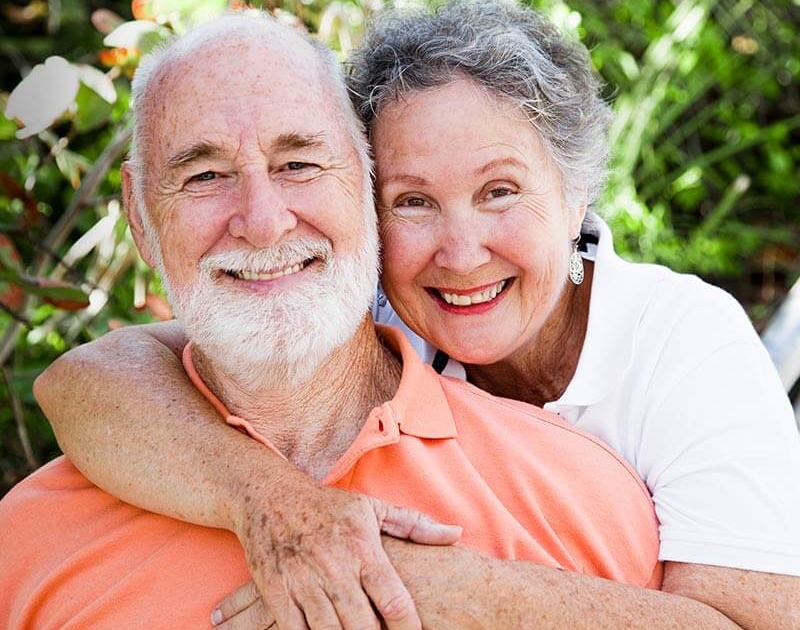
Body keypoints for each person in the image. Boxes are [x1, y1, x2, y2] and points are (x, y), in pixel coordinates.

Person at [32, 0, 800, 628]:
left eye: (500, 192)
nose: (460, 253)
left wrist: (433, 583)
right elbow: (94, 378)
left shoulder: (681, 343)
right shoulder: (351, 303)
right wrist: (278, 506)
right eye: (412, 202)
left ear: (575, 197)